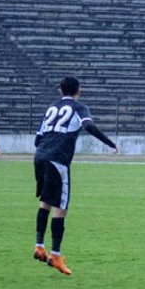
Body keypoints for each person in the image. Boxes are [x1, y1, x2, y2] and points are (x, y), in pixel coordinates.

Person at [33, 76, 119, 276]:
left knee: (46, 202)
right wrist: (111, 143)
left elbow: (38, 139)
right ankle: (55, 255)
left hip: (40, 157)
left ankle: (39, 246)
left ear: (60, 90)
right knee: (61, 206)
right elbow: (88, 126)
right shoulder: (79, 107)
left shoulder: (51, 108)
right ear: (79, 90)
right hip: (57, 160)